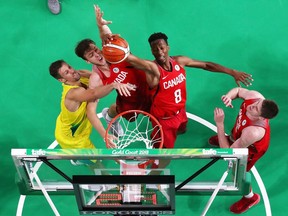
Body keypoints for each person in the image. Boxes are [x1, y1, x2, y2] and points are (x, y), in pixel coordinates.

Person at [122, 32, 253, 149]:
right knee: (162, 154)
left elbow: (206, 65)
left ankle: (174, 132)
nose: (160, 52)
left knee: (182, 129)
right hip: (164, 120)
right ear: (151, 51)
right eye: (155, 50)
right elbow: (130, 57)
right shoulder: (153, 69)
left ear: (168, 48)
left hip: (180, 112)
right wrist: (106, 32)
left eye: (162, 48)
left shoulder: (179, 61)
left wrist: (231, 72)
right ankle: (154, 167)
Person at [74, 5, 151, 145]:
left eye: (96, 50)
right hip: (129, 99)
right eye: (91, 55)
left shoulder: (113, 51)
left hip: (148, 85)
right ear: (87, 60)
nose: (97, 55)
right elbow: (90, 112)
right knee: (130, 116)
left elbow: (107, 35)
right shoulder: (96, 79)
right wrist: (105, 135)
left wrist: (100, 26)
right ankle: (109, 116)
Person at [209, 87, 279, 214]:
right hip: (240, 134)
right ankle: (228, 139)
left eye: (256, 108)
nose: (252, 105)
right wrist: (229, 96)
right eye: (257, 103)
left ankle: (250, 198)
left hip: (252, 149)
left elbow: (228, 154)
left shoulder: (253, 132)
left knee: (237, 173)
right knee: (235, 132)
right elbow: (238, 91)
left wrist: (219, 124)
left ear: (262, 118)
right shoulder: (256, 97)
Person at [49, 60, 135, 149]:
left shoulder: (81, 74)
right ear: (62, 80)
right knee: (96, 162)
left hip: (81, 124)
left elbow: (100, 78)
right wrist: (113, 85)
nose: (72, 71)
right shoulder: (73, 93)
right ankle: (78, 160)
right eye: (67, 72)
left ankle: (109, 116)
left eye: (69, 67)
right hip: (72, 137)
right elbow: (94, 94)